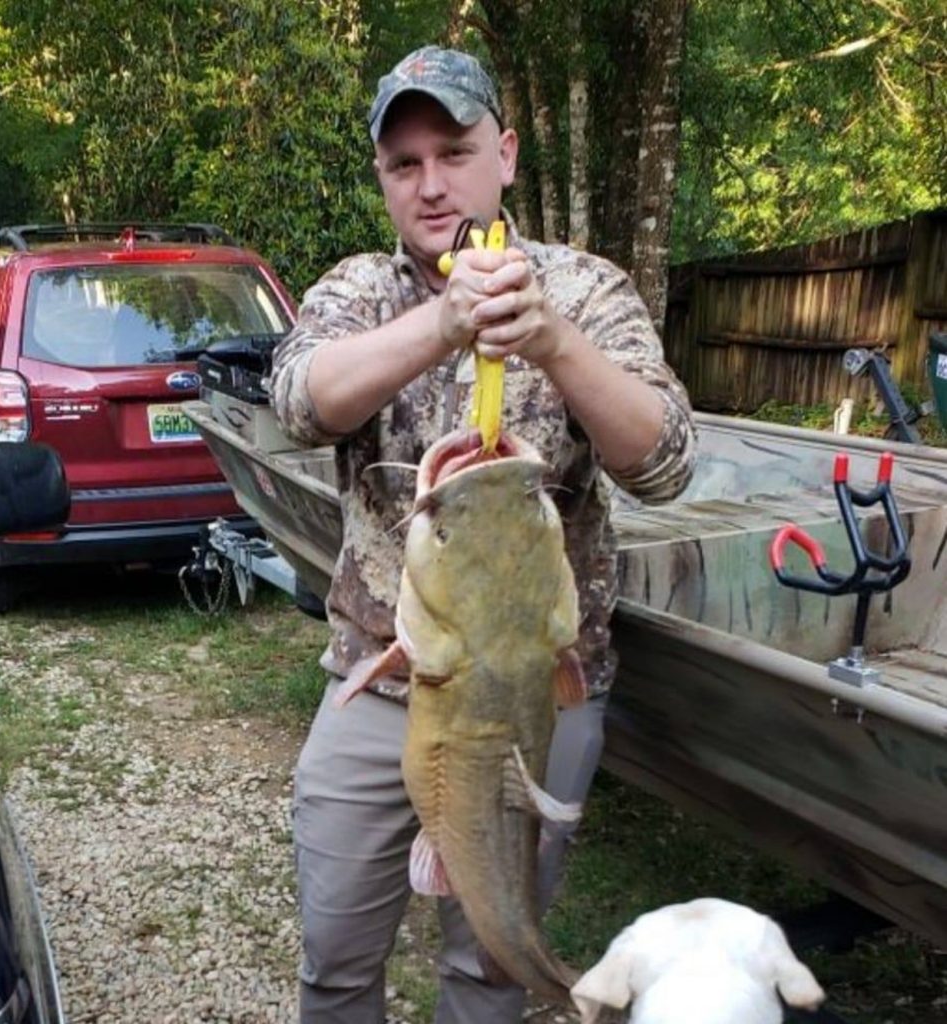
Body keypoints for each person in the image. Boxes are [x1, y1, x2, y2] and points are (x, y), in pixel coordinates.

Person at [270, 44, 697, 1024]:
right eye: (402, 164)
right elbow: (299, 400)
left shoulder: (585, 292)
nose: (431, 186)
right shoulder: (358, 293)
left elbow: (665, 460)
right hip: (382, 680)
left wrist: (548, 338)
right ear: (380, 177)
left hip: (537, 694)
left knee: (487, 971)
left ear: (503, 154)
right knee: (334, 960)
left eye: (453, 151)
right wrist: (440, 326)